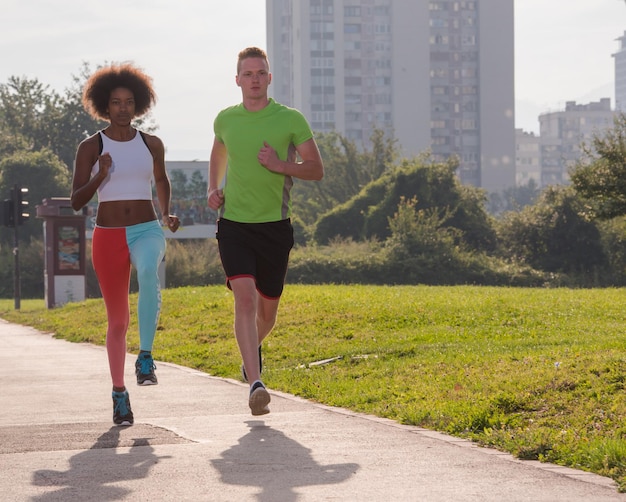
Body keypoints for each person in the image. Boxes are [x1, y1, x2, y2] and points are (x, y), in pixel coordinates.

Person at [208, 47, 324, 416]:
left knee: (267, 313)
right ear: (238, 80)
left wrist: (279, 164)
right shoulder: (226, 119)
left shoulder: (289, 119)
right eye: (248, 73)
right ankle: (255, 383)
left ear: (269, 78)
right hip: (234, 225)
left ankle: (250, 354)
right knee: (244, 298)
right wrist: (213, 188)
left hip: (274, 228)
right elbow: (218, 153)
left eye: (261, 73)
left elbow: (316, 169)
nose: (255, 79)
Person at [70, 63, 180, 426]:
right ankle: (119, 393)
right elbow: (76, 201)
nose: (122, 108)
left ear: (139, 105)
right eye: (115, 102)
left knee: (149, 270)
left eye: (129, 102)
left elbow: (161, 180)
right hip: (108, 235)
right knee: (117, 321)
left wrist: (165, 213)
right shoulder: (91, 146)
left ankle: (145, 357)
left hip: (146, 228)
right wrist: (100, 175)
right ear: (105, 105)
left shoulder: (151, 143)